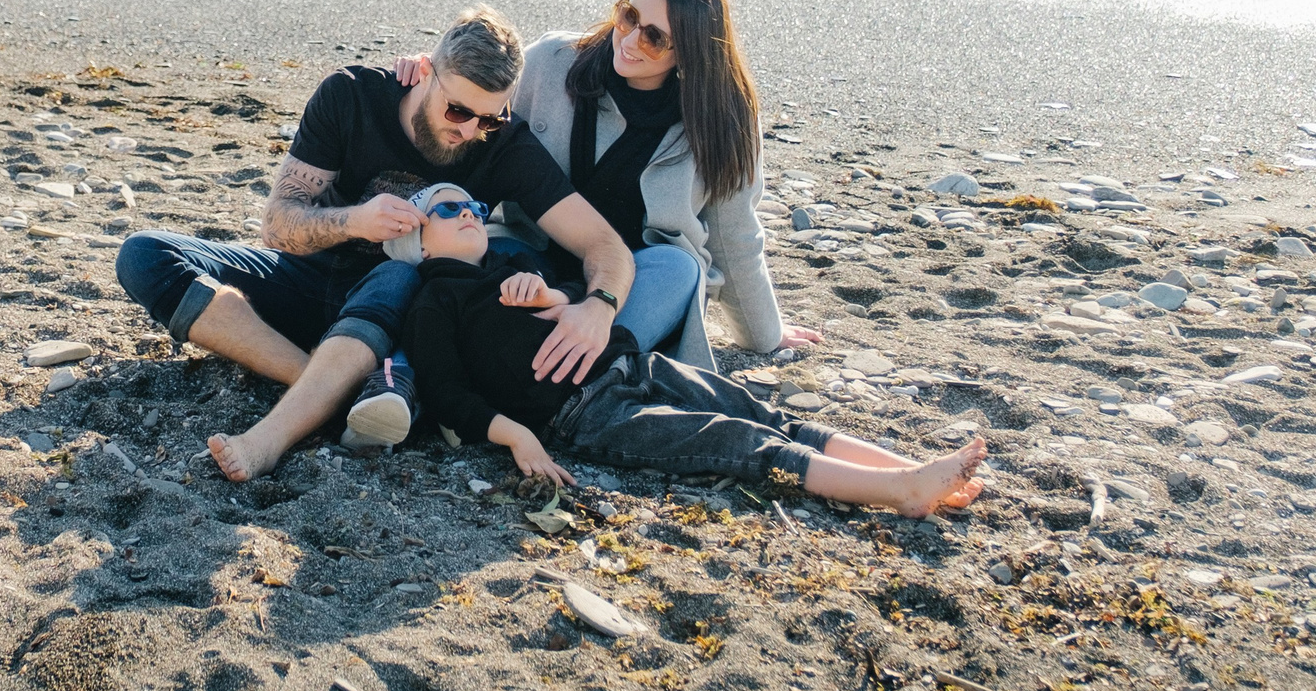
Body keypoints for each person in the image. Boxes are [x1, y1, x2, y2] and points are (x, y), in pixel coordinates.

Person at [112, 6, 638, 483]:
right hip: (312, 281)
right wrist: (354, 222)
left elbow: (603, 245)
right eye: (458, 112)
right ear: (426, 72)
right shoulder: (352, 96)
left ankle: (272, 437)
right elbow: (276, 225)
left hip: (411, 319)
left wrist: (601, 305)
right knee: (144, 255)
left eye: (489, 118)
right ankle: (322, 384)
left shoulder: (505, 145)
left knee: (405, 270)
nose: (470, 130)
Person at [400, 182, 984, 515]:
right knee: (735, 440)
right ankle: (897, 492)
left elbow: (581, 294)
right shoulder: (434, 301)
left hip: (631, 362)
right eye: (448, 210)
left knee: (759, 410)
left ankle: (912, 471)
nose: (470, 214)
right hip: (583, 413)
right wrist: (514, 433)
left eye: (476, 207)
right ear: (416, 242)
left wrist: (551, 292)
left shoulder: (513, 262)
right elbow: (445, 392)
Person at [391, 0, 820, 417]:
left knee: (680, 265)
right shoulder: (550, 62)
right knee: (458, 277)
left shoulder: (724, 121)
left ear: (691, 52)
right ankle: (459, 378)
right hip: (525, 258)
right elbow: (469, 106)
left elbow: (734, 238)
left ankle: (586, 376)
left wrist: (763, 334)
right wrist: (427, 75)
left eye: (654, 37)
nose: (631, 40)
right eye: (628, 17)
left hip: (631, 283)